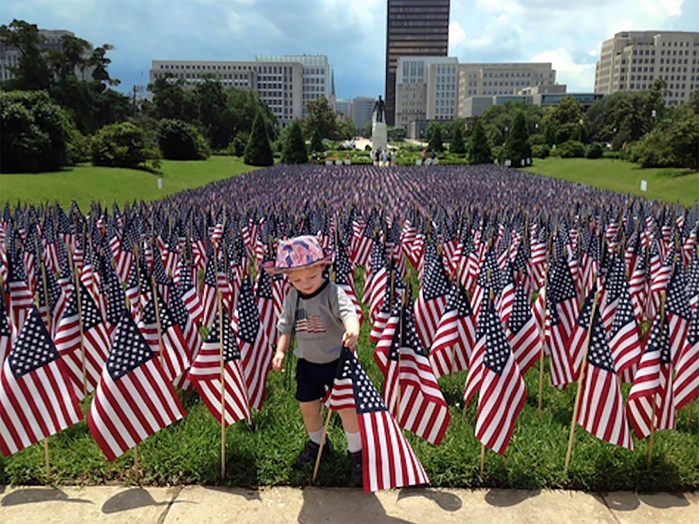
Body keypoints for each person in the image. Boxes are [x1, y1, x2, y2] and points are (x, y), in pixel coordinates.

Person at [265, 236, 362, 485]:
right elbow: (285, 327)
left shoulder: (332, 293)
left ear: (322, 268)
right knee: (308, 407)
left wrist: (353, 329)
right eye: (296, 280)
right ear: (288, 279)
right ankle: (318, 441)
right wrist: (281, 351)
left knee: (346, 408)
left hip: (337, 362)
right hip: (307, 364)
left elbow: (349, 313)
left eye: (310, 277)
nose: (304, 284)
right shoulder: (293, 299)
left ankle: (356, 453)